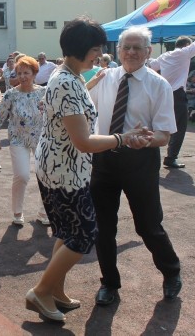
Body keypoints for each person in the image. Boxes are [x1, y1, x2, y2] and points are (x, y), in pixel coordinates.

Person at [25, 17, 151, 322]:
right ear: (83, 48)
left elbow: (76, 102)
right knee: (83, 235)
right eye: (97, 49)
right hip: (65, 173)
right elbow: (83, 141)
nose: (100, 55)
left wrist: (91, 82)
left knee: (67, 232)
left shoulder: (67, 74)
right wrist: (124, 137)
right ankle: (40, 291)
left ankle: (54, 290)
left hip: (57, 168)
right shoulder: (67, 82)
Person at [88, 25, 182, 307]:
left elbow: (165, 135)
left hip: (140, 161)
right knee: (103, 228)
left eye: (137, 48)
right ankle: (109, 284)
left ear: (148, 52)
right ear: (117, 50)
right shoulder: (103, 78)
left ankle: (171, 272)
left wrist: (147, 141)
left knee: (148, 225)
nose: (130, 52)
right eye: (126, 47)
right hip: (104, 158)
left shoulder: (158, 85)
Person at [147, 16, 195, 169]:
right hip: (177, 94)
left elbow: (151, 66)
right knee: (179, 127)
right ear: (186, 45)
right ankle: (171, 157)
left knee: (158, 124)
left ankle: (148, 155)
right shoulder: (185, 52)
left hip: (163, 94)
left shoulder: (164, 56)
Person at [0, 56, 49, 227]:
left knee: (45, 175)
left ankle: (44, 212)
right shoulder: (11, 94)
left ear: (34, 73)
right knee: (22, 175)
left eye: (27, 72)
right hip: (18, 139)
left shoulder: (43, 93)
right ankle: (17, 211)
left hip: (40, 139)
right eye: (19, 73)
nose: (23, 76)